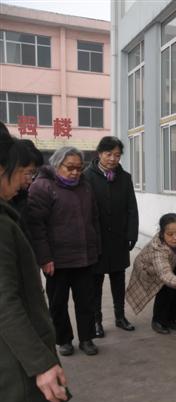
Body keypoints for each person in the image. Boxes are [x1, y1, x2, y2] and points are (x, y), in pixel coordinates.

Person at [0, 136, 69, 402]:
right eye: (23, 172)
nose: (25, 182)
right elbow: (5, 302)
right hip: (13, 363)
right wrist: (41, 364)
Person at [26, 146, 101, 356]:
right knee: (58, 303)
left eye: (79, 168)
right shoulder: (42, 187)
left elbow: (94, 219)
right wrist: (45, 257)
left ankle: (86, 338)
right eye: (70, 168)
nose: (75, 172)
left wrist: (96, 248)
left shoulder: (85, 186)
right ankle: (64, 339)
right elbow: (37, 226)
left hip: (84, 256)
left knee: (86, 301)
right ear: (57, 165)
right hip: (57, 259)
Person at [84, 136, 139, 338]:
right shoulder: (86, 177)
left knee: (118, 279)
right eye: (109, 154)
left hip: (118, 237)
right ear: (99, 154)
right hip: (96, 239)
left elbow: (132, 208)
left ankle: (120, 317)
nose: (113, 159)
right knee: (95, 282)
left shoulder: (125, 178)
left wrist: (131, 233)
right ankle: (96, 321)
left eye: (117, 155)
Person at [125, 213, 176, 334]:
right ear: (162, 233)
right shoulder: (158, 247)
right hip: (151, 269)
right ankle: (158, 321)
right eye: (170, 234)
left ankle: (171, 319)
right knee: (165, 290)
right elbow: (165, 274)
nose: (175, 237)